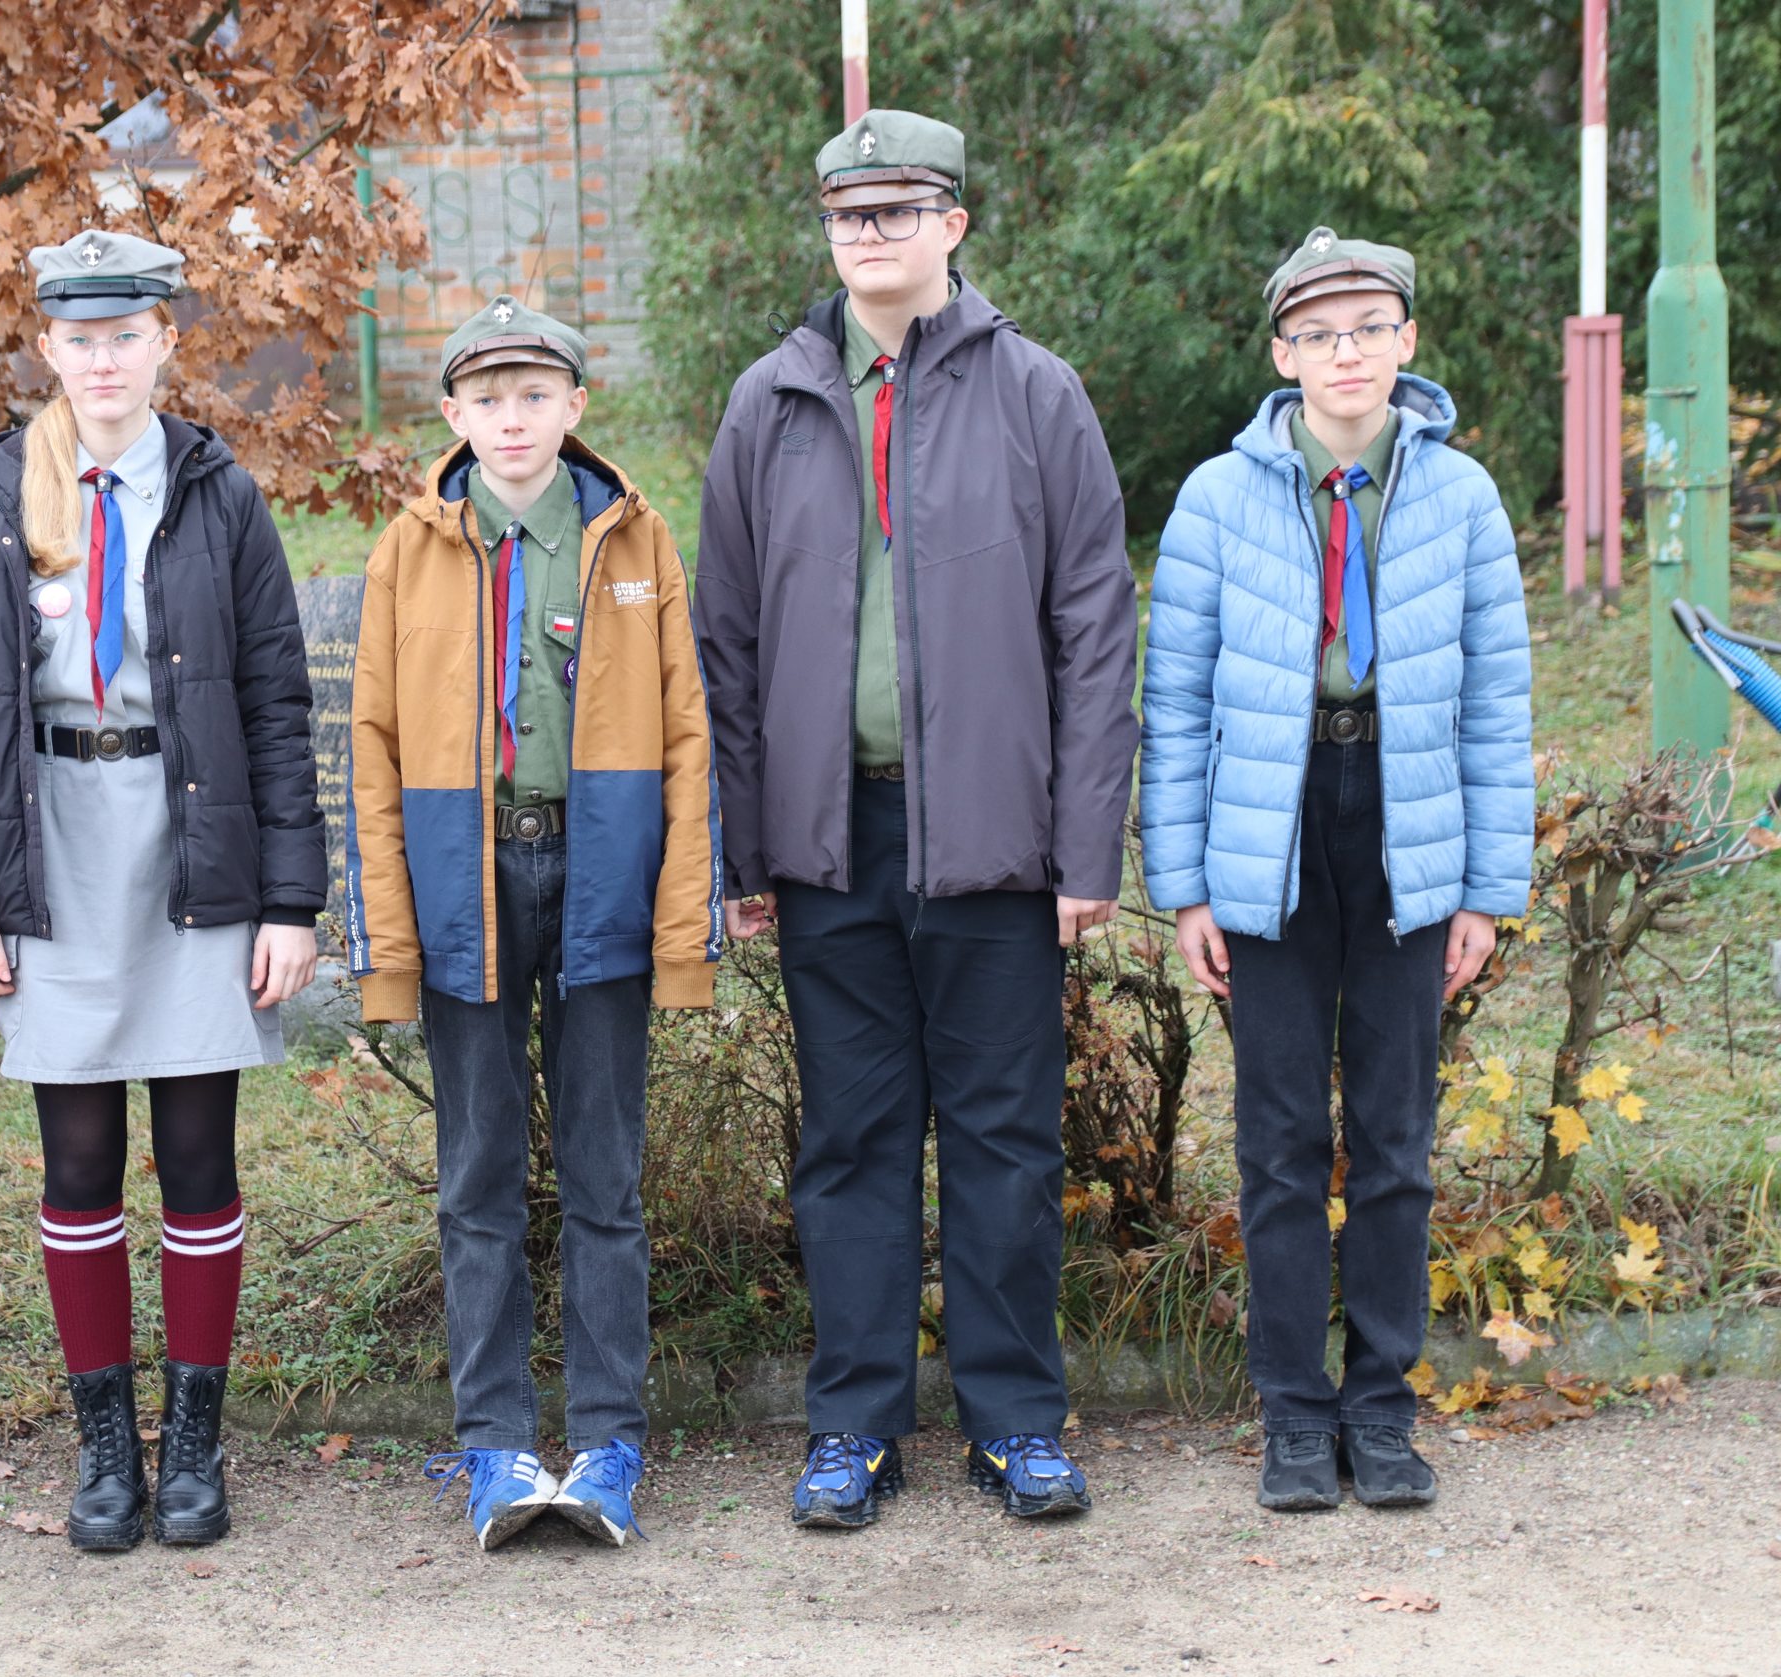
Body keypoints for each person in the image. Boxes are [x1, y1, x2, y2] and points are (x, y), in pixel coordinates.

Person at [694, 110, 1138, 1527]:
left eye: (896, 210)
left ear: (953, 223)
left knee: (1005, 1141)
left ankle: (1016, 1422)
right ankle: (853, 1426)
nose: (869, 235)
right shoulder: (769, 403)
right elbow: (725, 640)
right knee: (852, 1145)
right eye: (847, 214)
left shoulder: (1037, 393)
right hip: (830, 845)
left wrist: (1086, 846)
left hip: (995, 845)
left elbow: (1093, 629)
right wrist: (743, 845)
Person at [0, 230, 325, 1550]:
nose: (103, 360)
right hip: (54, 844)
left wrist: (289, 900)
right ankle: (107, 1449)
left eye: (127, 336)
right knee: (79, 1156)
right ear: (48, 347)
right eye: (80, 339)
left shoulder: (218, 492)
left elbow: (275, 704)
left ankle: (193, 1446)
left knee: (199, 1153)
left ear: (165, 342)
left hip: (189, 836)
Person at [1139, 227, 1532, 1512]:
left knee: (1395, 1138)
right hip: (1272, 826)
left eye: (1367, 327)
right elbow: (1174, 703)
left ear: (1406, 340)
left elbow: (1497, 706)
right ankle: (1293, 1414)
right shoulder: (1217, 499)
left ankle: (1380, 1406)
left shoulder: (1460, 499)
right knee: (1280, 1142)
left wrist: (1485, 889)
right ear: (1281, 355)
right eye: (1315, 333)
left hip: (1406, 824)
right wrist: (1186, 885)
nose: (1344, 351)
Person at [347, 294, 721, 1550]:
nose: (511, 420)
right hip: (468, 876)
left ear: (575, 407)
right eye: (486, 399)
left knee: (606, 1178)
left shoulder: (634, 538)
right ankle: (494, 1442)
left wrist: (681, 924)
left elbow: (685, 736)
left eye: (534, 396)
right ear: (452, 414)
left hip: (601, 867)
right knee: (478, 1177)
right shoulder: (409, 549)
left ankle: (609, 1439)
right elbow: (373, 747)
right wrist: (390, 939)